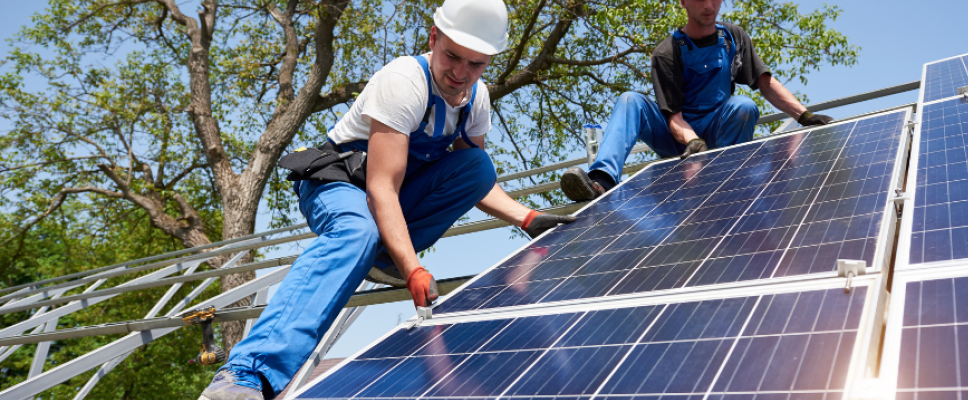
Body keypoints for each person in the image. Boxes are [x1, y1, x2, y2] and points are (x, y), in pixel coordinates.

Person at [198, 1, 575, 399]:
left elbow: (474, 179)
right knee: (355, 233)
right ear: (434, 37)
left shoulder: (475, 100)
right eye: (452, 56)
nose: (460, 73)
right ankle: (245, 375)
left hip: (392, 202)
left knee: (478, 165)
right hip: (342, 186)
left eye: (476, 63)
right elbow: (381, 187)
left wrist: (527, 217)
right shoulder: (405, 82)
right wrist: (412, 267)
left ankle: (382, 256)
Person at [560, 0, 834, 202]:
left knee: (744, 106)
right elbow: (673, 117)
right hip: (678, 138)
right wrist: (691, 140)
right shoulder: (667, 52)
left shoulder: (732, 38)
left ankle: (726, 182)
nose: (708, 5)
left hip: (718, 131)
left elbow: (764, 82)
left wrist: (804, 115)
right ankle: (601, 182)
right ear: (683, 3)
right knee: (630, 100)